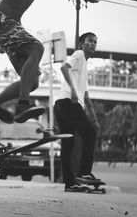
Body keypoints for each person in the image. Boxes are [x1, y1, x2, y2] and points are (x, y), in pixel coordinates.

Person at [54, 32, 101, 192]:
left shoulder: (84, 67)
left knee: (68, 144)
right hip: (68, 101)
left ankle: (70, 183)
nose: (93, 44)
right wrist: (73, 89)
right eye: (90, 41)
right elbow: (63, 67)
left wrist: (94, 119)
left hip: (60, 104)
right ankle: (84, 172)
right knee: (89, 133)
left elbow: (86, 97)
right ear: (81, 44)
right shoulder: (79, 54)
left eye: (95, 42)